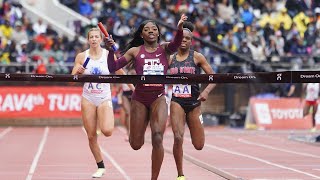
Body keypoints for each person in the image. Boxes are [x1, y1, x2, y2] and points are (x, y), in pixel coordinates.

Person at [105, 14, 188, 180]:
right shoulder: (135, 51)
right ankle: (138, 131)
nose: (151, 31)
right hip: (139, 99)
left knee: (157, 137)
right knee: (136, 144)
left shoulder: (165, 49)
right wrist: (109, 51)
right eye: (147, 29)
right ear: (141, 34)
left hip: (158, 97)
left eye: (154, 29)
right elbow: (113, 67)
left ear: (158, 34)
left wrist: (179, 29)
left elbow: (176, 43)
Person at [71, 28, 133, 178]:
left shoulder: (107, 55)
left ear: (100, 39)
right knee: (91, 136)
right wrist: (77, 72)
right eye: (91, 37)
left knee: (107, 131)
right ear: (88, 40)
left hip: (104, 97)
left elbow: (121, 73)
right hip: (88, 98)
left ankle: (102, 118)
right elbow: (72, 78)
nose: (93, 39)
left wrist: (133, 88)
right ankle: (100, 166)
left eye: (96, 37)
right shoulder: (81, 56)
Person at [168, 21, 216, 180]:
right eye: (182, 37)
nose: (184, 40)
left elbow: (214, 78)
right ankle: (180, 174)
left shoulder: (197, 57)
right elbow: (156, 74)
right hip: (177, 102)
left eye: (187, 38)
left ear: (191, 41)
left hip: (195, 104)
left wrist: (206, 91)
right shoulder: (170, 58)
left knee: (199, 145)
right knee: (177, 137)